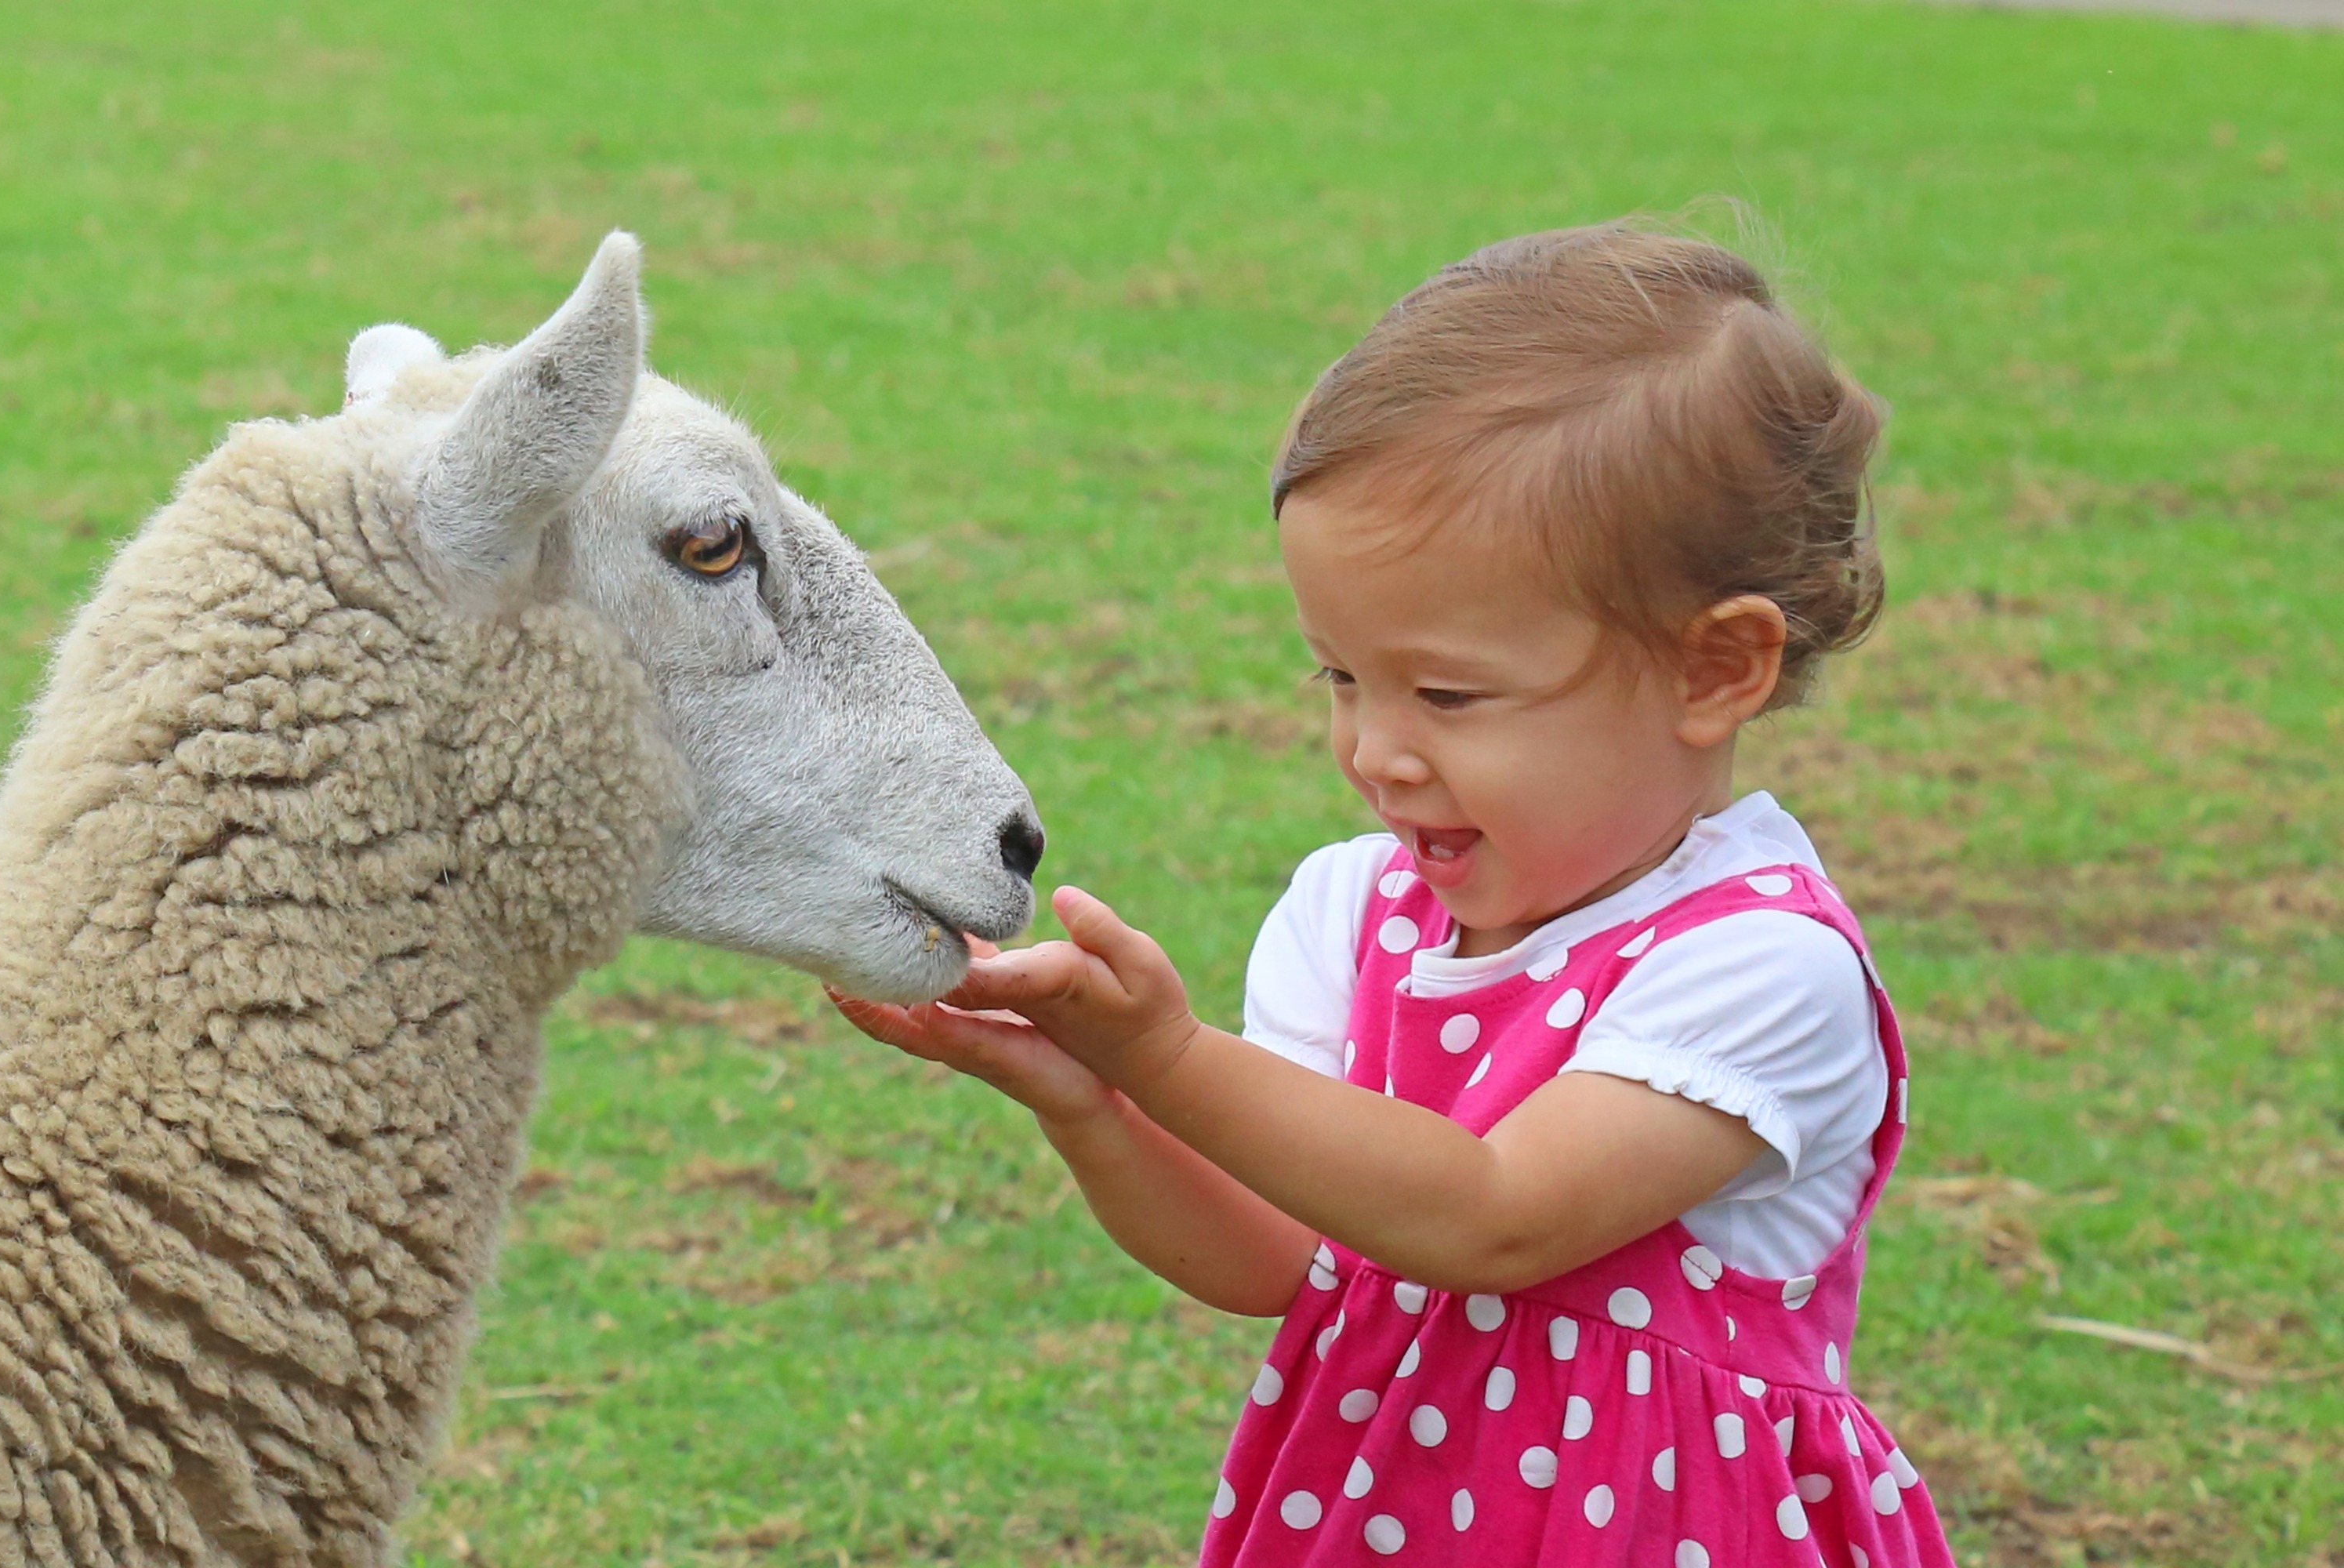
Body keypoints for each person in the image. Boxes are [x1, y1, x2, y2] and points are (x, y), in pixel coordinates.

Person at [832, 223, 1959, 1567]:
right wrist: (1092, 1099)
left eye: (1448, 694)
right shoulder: (1350, 915)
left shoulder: (1762, 967)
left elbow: (1495, 1217)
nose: (1377, 750)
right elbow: (1278, 1262)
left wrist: (1169, 1057)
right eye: (1341, 678)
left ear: (1714, 671)